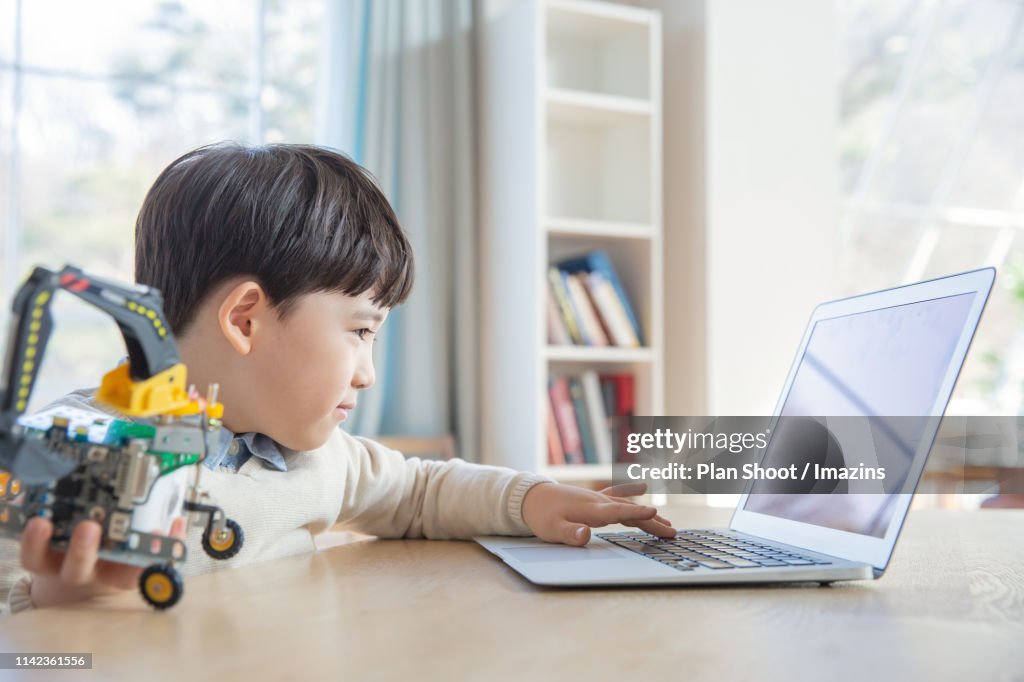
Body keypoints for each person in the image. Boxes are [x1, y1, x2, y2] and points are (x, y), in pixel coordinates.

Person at [3, 142, 674, 614]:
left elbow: (421, 490)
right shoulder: (69, 451)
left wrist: (532, 501)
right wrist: (64, 598)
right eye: (359, 332)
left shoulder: (318, 458)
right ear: (245, 319)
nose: (368, 374)